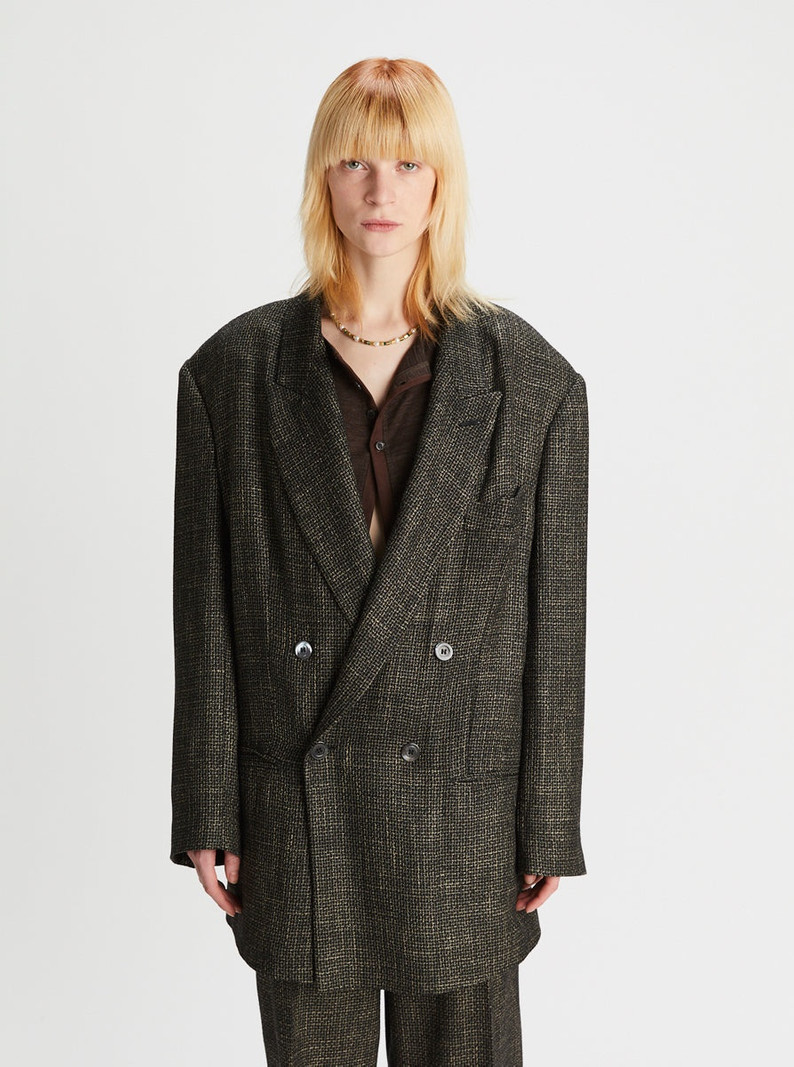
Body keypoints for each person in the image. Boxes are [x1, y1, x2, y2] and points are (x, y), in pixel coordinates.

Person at [171, 57, 589, 1066]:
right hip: (298, 808)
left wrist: (548, 817)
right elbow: (207, 615)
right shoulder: (231, 373)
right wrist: (207, 805)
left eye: (407, 162)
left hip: (463, 809)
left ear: (442, 181)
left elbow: (555, 622)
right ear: (323, 175)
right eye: (355, 160)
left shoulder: (532, 382)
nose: (380, 189)